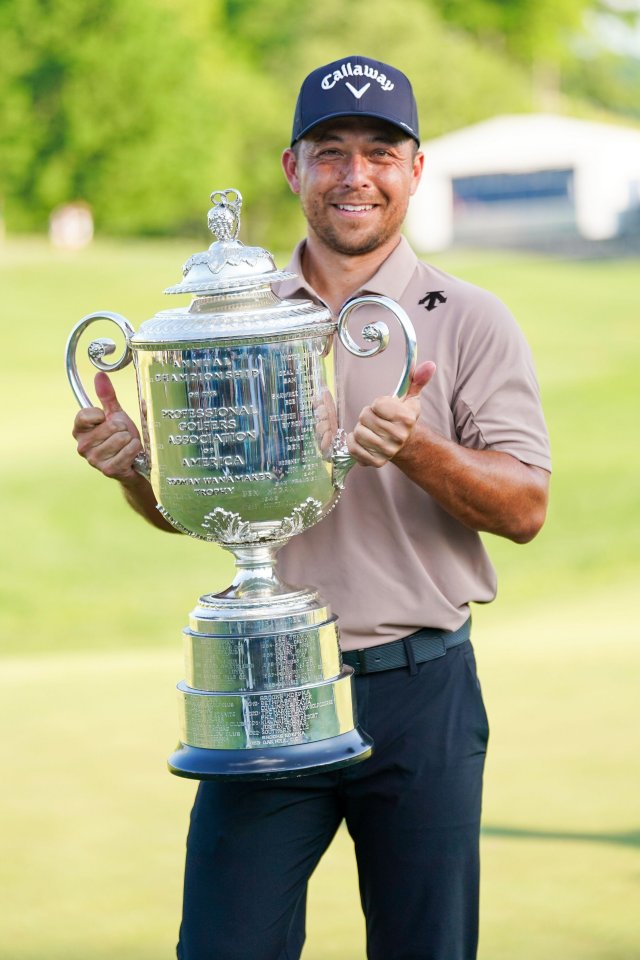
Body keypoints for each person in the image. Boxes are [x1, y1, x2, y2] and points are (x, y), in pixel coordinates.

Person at [73, 55, 551, 960]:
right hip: (266, 689)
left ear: (415, 169)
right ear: (293, 170)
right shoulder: (231, 312)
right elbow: (201, 511)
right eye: (330, 151)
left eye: (380, 151)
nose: (355, 175)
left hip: (422, 695)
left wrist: (413, 447)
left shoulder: (469, 317)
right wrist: (138, 470)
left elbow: (525, 507)